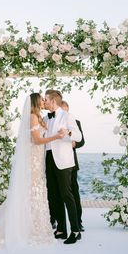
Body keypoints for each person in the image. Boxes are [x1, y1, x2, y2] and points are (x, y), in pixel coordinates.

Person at [0, 93, 66, 250]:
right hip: (33, 161)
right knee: (31, 192)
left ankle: (34, 226)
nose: (44, 101)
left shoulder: (39, 117)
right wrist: (56, 137)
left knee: (36, 191)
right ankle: (28, 228)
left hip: (38, 160)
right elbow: (36, 140)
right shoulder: (32, 117)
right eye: (42, 99)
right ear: (36, 101)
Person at [44, 90, 82, 244]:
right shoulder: (45, 118)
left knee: (67, 195)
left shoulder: (67, 116)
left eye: (46, 99)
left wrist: (69, 132)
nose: (44, 102)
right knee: (53, 195)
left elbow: (78, 136)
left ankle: (75, 230)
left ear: (53, 101)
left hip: (64, 161)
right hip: (48, 159)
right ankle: (61, 229)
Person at [61, 100, 85, 232]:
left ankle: (78, 222)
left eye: (66, 112)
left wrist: (73, 143)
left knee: (74, 192)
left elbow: (82, 142)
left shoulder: (75, 122)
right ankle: (56, 221)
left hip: (72, 163)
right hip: (57, 162)